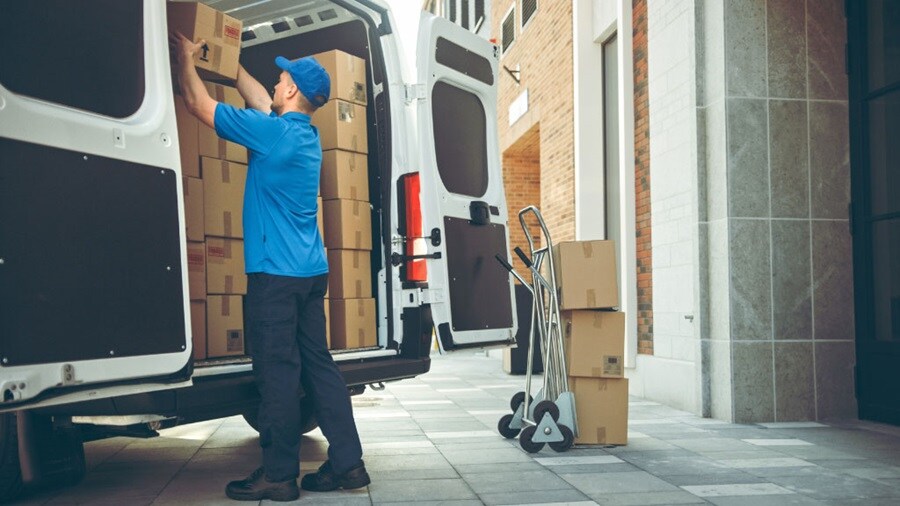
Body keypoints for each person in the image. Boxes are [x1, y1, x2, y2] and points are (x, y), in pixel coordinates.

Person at [171, 33, 370, 502]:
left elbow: (199, 104)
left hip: (275, 278)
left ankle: (279, 475)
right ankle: (348, 465)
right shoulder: (303, 135)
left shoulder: (273, 134)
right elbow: (260, 100)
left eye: (281, 79)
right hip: (308, 274)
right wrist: (229, 61)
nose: (275, 83)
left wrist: (185, 62)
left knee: (278, 374)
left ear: (292, 92)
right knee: (319, 368)